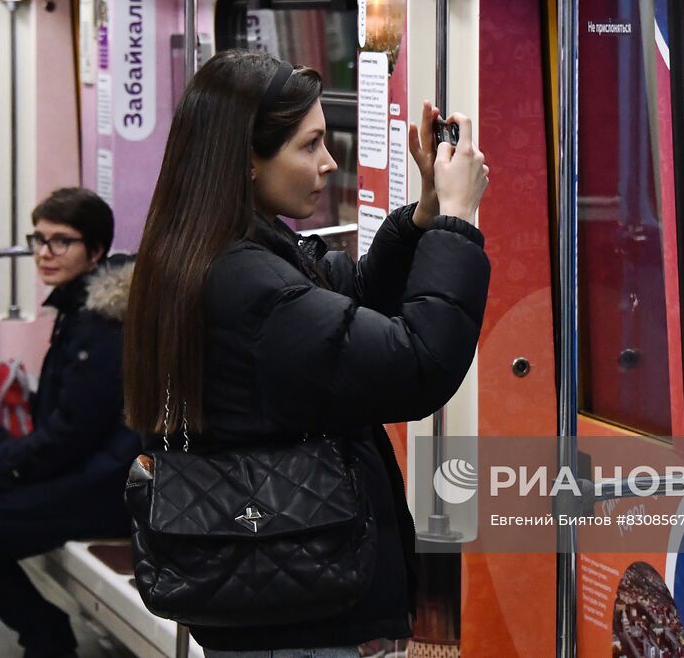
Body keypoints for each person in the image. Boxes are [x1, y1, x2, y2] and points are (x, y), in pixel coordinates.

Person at [123, 50, 490, 655]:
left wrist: (422, 220)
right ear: (247, 159)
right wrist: (457, 220)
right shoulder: (249, 286)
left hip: (267, 582)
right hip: (295, 605)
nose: (329, 162)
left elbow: (344, 311)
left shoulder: (215, 250)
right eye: (309, 144)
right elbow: (418, 363)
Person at [0, 187, 140, 658]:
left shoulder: (102, 323)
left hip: (105, 490)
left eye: (61, 241)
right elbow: (61, 427)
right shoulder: (77, 307)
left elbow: (73, 433)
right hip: (85, 475)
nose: (44, 252)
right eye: (38, 239)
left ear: (96, 250)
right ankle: (44, 633)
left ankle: (28, 638)